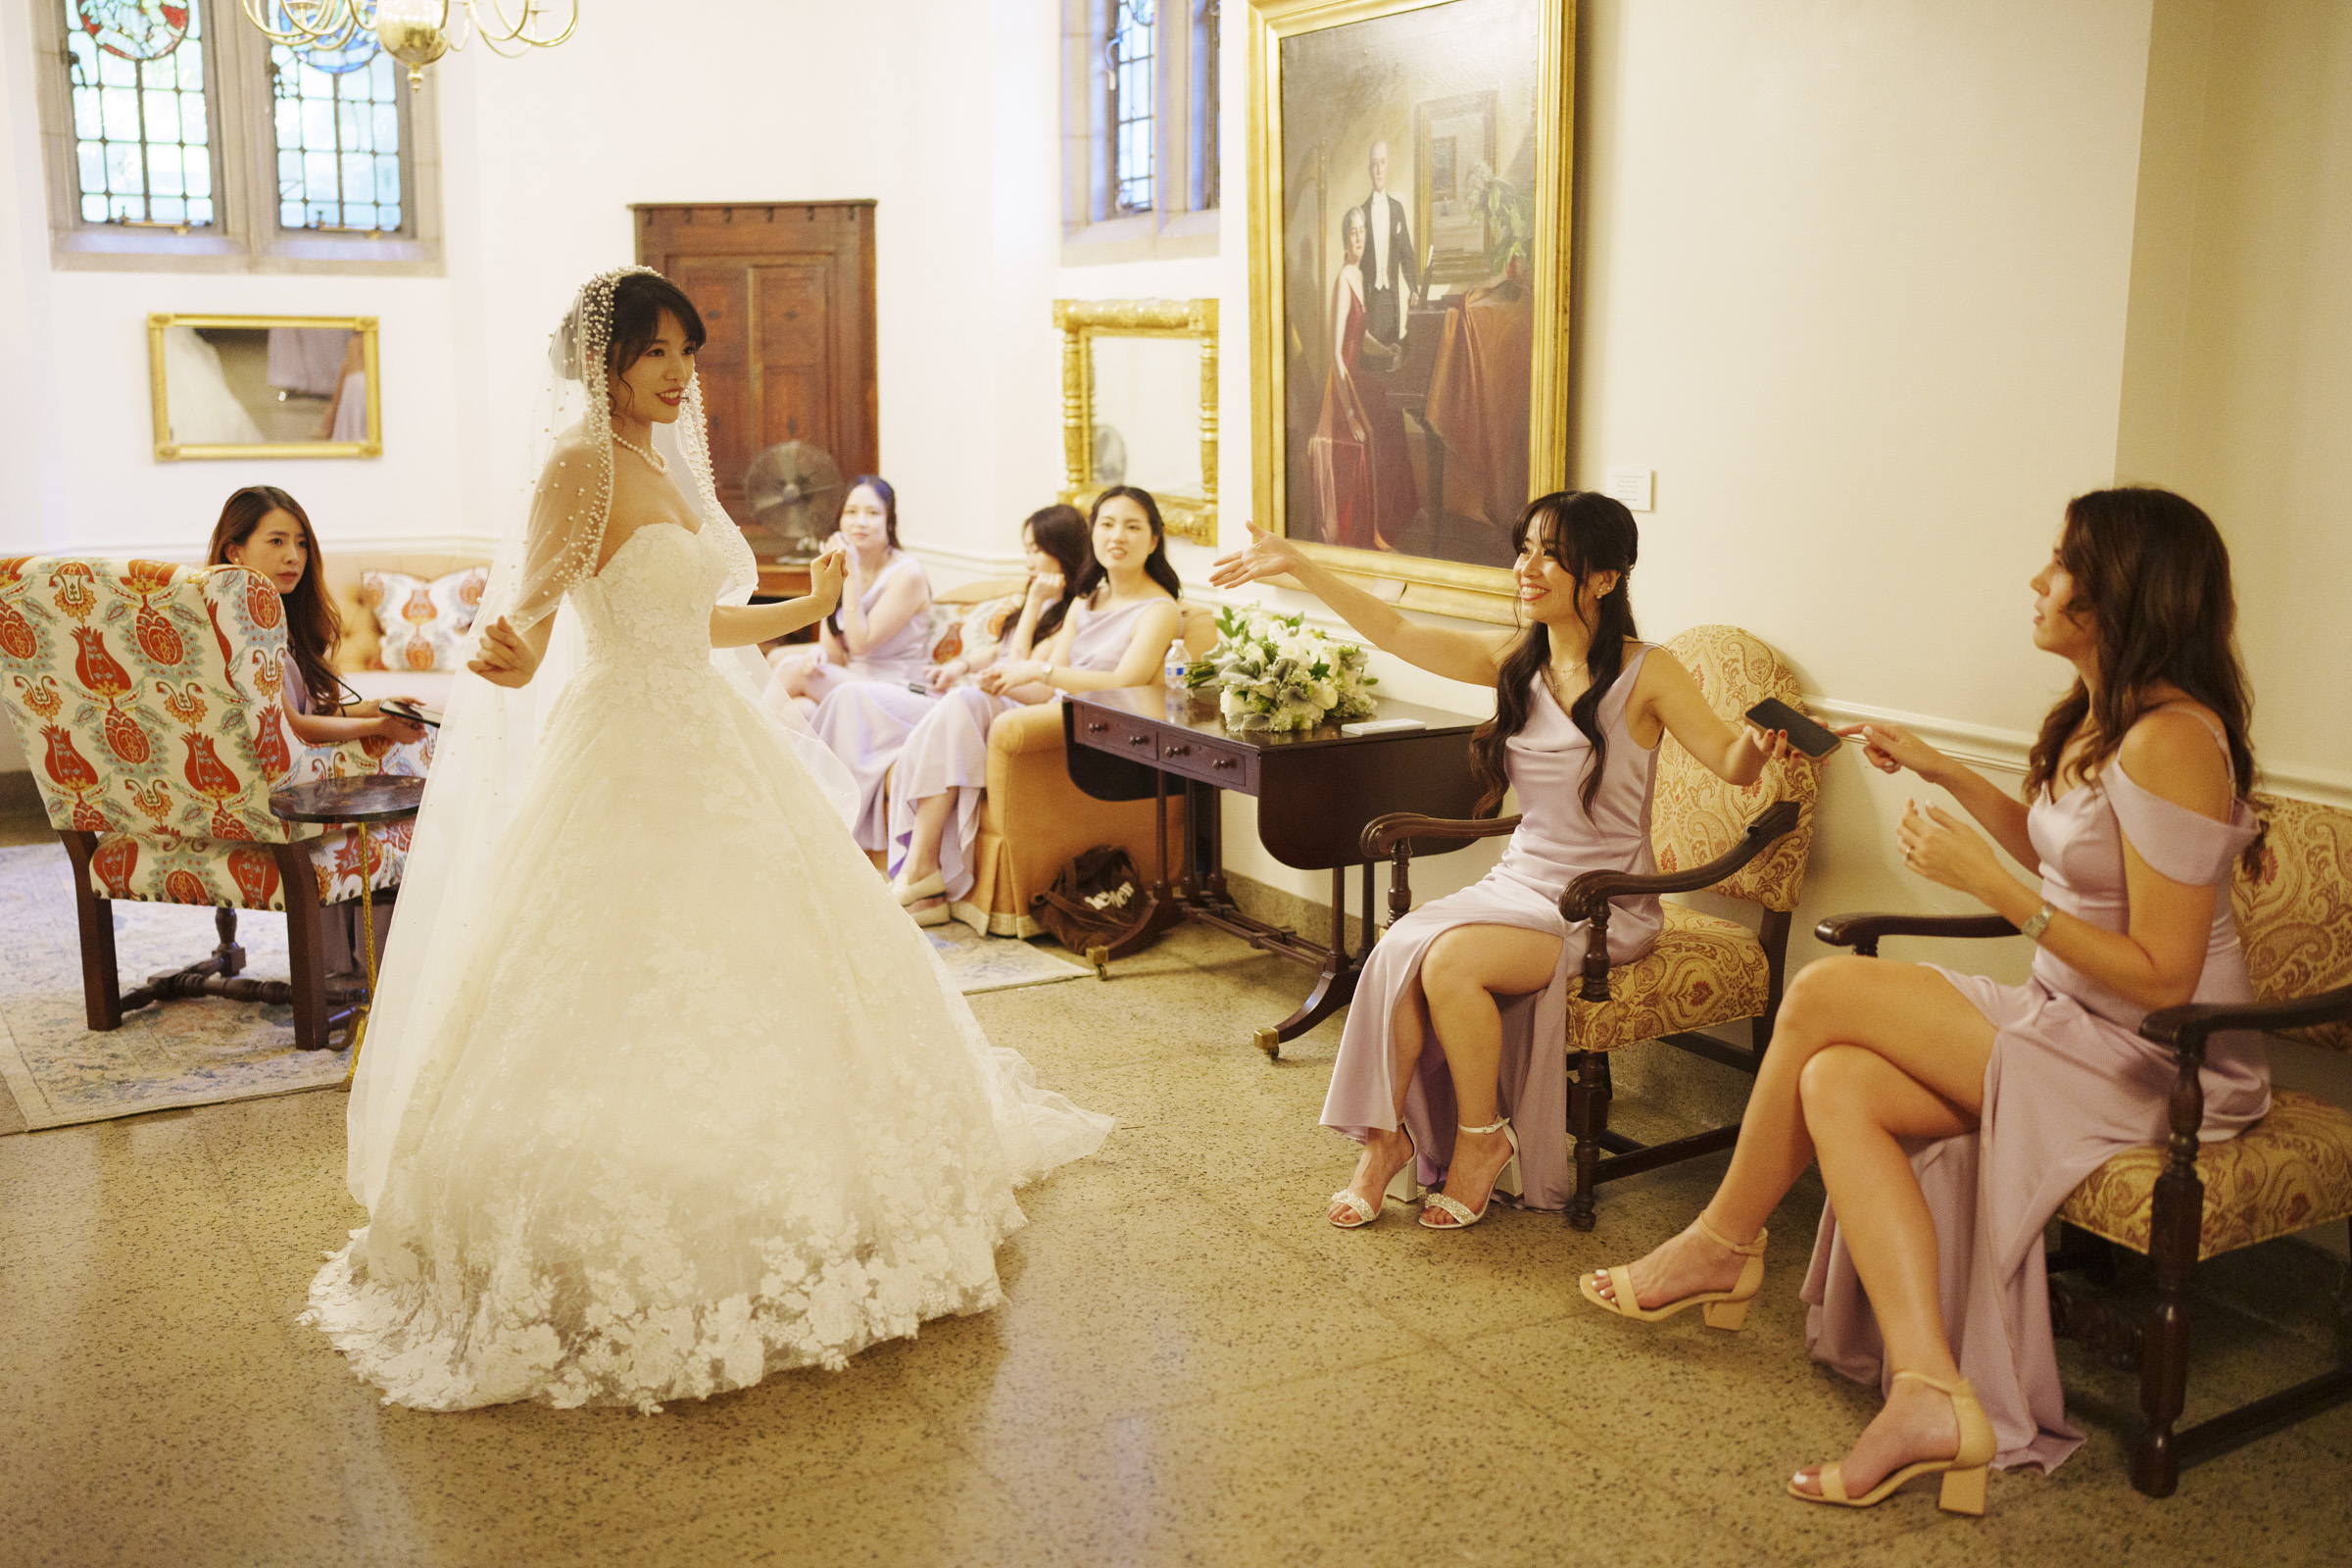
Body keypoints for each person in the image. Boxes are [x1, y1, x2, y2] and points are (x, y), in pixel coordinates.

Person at [306, 267, 1111, 1412]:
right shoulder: (579, 466)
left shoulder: (658, 462)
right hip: (624, 742)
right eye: (657, 356)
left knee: (781, 957)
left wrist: (809, 602)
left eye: (688, 353)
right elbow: (530, 628)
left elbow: (694, 616)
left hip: (709, 730)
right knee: (617, 973)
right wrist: (498, 655)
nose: (681, 376)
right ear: (606, 363)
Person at [1583, 487, 2264, 1515]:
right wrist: (1947, 772)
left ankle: (1721, 1243)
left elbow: (2166, 977)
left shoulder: (2174, 739)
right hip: (2075, 1022)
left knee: (1824, 994)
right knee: (1837, 1080)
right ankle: (1929, 1391)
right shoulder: (2111, 719)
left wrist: (1994, 889)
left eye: (2062, 564)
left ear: (2122, 592)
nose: (2039, 582)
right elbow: (2073, 854)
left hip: (2159, 1063)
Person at [1208, 495, 1804, 1230]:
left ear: (1605, 578)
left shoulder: (1650, 672)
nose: (1527, 567)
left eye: (1550, 553)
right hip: (1518, 882)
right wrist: (1302, 565)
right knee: (1399, 946)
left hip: (1602, 903)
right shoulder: (1512, 661)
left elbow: (1730, 763)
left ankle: (1481, 1142)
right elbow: (1394, 630)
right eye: (1524, 549)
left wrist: (1760, 745)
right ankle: (1385, 1141)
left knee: (1448, 962)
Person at [886, 486, 1183, 927]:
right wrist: (1004, 680)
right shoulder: (1086, 600)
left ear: (1154, 540)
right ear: (1093, 534)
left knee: (965, 708)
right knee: (967, 699)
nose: (1117, 535)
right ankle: (922, 868)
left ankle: (921, 870)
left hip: (1094, 726)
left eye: (1132, 526)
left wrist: (1037, 674)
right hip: (1052, 708)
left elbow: (1125, 682)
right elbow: (1047, 687)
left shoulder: (1160, 610)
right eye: (1107, 524)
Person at [809, 503, 1091, 864]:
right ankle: (825, 824)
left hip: (986, 711)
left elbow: (1020, 668)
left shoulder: (1070, 615)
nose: (1028, 562)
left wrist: (1034, 603)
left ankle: (836, 833)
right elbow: (997, 654)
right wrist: (959, 664)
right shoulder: (1034, 605)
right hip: (957, 691)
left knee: (850, 695)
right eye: (1027, 551)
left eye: (1036, 550)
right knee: (845, 698)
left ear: (1063, 550)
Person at [206, 486, 425, 750]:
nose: (294, 557)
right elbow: (294, 727)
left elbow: (310, 715)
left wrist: (376, 708)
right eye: (277, 541)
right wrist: (379, 726)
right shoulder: (238, 623)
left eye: (301, 544)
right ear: (234, 552)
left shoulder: (272, 615)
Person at [760, 475, 932, 717]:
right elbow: (835, 653)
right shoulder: (845, 563)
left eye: (873, 513)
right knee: (799, 710)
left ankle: (739, 746)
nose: (860, 522)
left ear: (890, 523)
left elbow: (861, 644)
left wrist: (848, 573)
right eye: (851, 512)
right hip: (854, 675)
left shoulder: (908, 574)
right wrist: (818, 654)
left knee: (790, 667)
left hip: (899, 689)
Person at [1307, 207, 1377, 551]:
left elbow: (1360, 335)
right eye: (1353, 232)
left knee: (1380, 431)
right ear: (1344, 238)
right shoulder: (1343, 278)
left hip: (1357, 373)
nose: (1359, 238)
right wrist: (1348, 412)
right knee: (1362, 441)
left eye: (1362, 230)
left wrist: (1386, 349)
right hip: (1343, 380)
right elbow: (1337, 351)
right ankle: (1352, 533)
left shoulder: (1359, 275)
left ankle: (1369, 528)